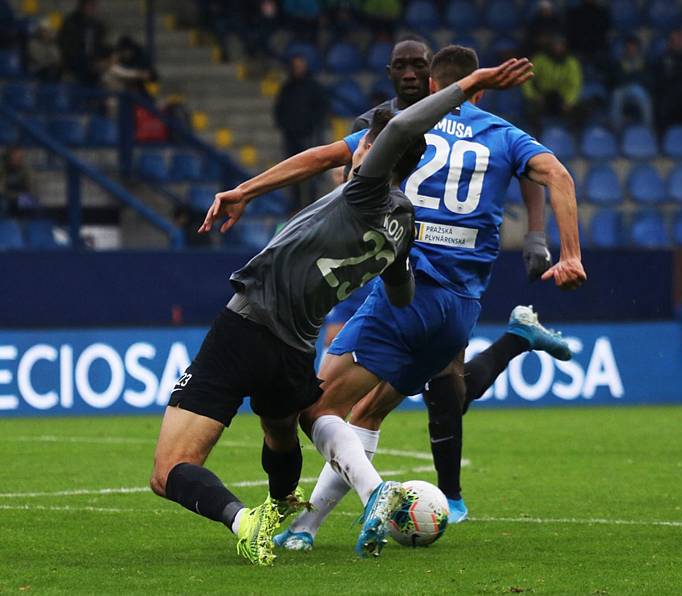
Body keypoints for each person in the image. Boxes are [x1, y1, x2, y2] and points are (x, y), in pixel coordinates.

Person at [155, 58, 535, 566]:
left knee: (169, 470)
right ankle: (285, 507)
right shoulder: (402, 223)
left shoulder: (364, 190)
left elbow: (399, 125)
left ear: (379, 155)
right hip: (296, 345)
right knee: (292, 424)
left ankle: (244, 520)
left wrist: (471, 84)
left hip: (248, 321)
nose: (355, 148)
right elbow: (401, 294)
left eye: (364, 144)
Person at [247, 47, 584, 556]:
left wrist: (245, 190)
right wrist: (569, 253)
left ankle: (375, 496)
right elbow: (557, 175)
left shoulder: (404, 128)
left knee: (315, 408)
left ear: (432, 86)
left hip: (409, 290)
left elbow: (322, 157)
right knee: (367, 415)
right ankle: (305, 529)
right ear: (481, 90)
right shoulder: (504, 134)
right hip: (461, 311)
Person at [274, 54, 328, 211]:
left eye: (301, 65)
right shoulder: (287, 88)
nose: (298, 68)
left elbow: (322, 109)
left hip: (310, 137)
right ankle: (295, 207)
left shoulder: (314, 87)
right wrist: (285, 126)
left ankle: (312, 207)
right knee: (292, 174)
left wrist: (313, 126)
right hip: (291, 137)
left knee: (311, 175)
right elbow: (279, 110)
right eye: (296, 65)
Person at [522, 36, 583, 131]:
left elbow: (575, 84)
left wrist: (569, 102)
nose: (558, 48)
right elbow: (526, 79)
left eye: (560, 45)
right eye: (555, 45)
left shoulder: (571, 62)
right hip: (543, 96)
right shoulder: (539, 59)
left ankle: (570, 137)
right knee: (530, 111)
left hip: (563, 98)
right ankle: (536, 136)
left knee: (578, 113)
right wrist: (533, 96)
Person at [653, 29, 682, 133]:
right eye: (674, 39)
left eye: (679, 39)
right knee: (663, 106)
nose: (676, 42)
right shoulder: (664, 58)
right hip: (669, 94)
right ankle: (663, 141)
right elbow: (661, 79)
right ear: (670, 41)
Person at [57, 0, 107, 85]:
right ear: (82, 6)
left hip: (92, 64)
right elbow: (68, 48)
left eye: (93, 6)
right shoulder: (71, 23)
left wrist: (100, 59)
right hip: (75, 64)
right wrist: (88, 63)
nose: (91, 8)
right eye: (88, 5)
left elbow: (99, 45)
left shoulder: (96, 25)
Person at [609, 35, 653, 131]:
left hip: (638, 88)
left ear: (637, 48)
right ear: (625, 48)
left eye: (633, 47)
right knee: (616, 95)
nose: (631, 50)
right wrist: (635, 75)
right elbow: (618, 79)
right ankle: (616, 129)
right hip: (624, 88)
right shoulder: (620, 62)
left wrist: (631, 76)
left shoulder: (643, 62)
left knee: (644, 96)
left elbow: (647, 79)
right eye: (628, 47)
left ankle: (648, 130)